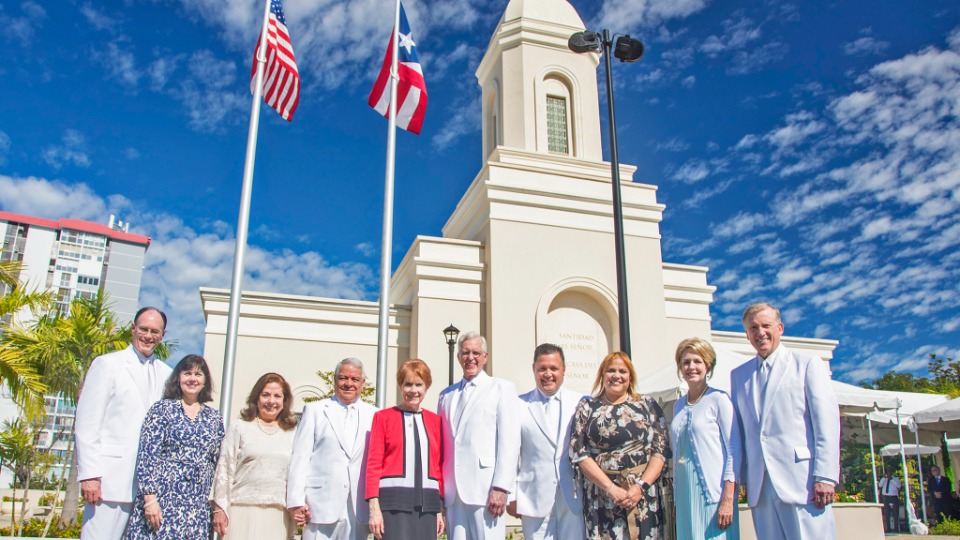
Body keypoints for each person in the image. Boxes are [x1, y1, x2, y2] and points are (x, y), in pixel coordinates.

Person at [730, 302, 840, 540]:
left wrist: (825, 477)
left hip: (804, 481)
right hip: (761, 484)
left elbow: (827, 424)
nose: (760, 333)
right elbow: (740, 431)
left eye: (765, 326)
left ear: (779, 328)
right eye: (753, 328)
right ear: (747, 335)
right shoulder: (739, 376)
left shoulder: (807, 364)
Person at [75, 307, 173, 540]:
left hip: (148, 491)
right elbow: (88, 424)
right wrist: (90, 474)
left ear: (162, 335)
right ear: (133, 329)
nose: (148, 336)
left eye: (154, 331)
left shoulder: (168, 374)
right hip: (109, 483)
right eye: (144, 329)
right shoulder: (107, 364)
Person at [569, 351, 671, 540]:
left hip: (642, 496)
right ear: (602, 375)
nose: (617, 375)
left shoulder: (647, 405)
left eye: (622, 371)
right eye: (611, 370)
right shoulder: (587, 407)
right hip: (602, 497)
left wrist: (639, 487)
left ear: (630, 376)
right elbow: (579, 453)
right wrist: (611, 488)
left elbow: (661, 450)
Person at [125, 354, 225, 540]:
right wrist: (149, 500)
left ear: (205, 381)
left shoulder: (214, 418)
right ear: (178, 378)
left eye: (198, 374)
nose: (192, 379)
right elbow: (148, 455)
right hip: (162, 499)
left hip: (197, 505)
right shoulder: (161, 410)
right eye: (187, 373)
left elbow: (218, 461)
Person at [437, 331, 521, 540]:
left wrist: (501, 487)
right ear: (458, 357)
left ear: (485, 356)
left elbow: (509, 443)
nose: (470, 358)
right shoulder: (445, 395)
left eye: (476, 352)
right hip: (453, 492)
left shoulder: (502, 388)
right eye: (465, 353)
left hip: (486, 490)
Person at [287, 358, 377, 540]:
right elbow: (300, 456)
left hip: (357, 506)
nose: (349, 384)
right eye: (343, 378)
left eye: (355, 379)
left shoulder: (375, 414)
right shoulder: (315, 410)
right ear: (335, 380)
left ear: (362, 383)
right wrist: (296, 501)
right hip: (318, 505)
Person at [507, 344, 585, 540]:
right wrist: (511, 495)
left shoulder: (582, 402)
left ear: (564, 369)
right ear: (533, 369)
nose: (548, 374)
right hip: (533, 497)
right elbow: (508, 453)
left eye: (553, 368)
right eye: (542, 368)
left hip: (573, 496)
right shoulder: (518, 404)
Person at [212, 373, 298, 539]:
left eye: (277, 396)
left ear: (284, 401)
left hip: (277, 514)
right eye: (265, 395)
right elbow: (224, 469)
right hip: (242, 509)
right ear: (256, 398)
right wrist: (220, 509)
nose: (271, 401)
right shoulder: (240, 427)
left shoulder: (292, 433)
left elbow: (297, 474)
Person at [366, 359, 445, 540]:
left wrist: (439, 508)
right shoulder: (383, 417)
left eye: (419, 384)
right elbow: (373, 463)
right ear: (400, 386)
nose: (413, 390)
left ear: (426, 387)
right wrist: (374, 507)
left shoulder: (435, 421)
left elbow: (437, 466)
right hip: (393, 504)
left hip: (428, 506)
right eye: (408, 384)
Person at [671, 338, 741, 540]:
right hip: (685, 493)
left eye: (697, 361)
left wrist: (728, 499)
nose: (691, 367)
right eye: (685, 362)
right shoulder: (678, 406)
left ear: (707, 366)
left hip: (713, 494)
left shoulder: (719, 399)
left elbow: (734, 452)